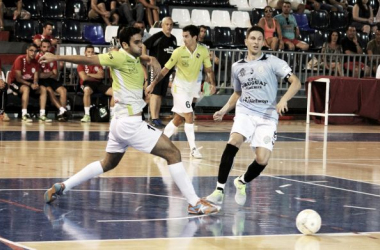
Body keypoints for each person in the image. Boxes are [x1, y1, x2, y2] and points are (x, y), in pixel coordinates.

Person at [40, 27, 219, 215]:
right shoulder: (117, 56)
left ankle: (63, 186)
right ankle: (194, 203)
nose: (141, 45)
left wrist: (151, 58)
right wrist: (57, 58)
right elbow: (90, 59)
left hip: (119, 123)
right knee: (173, 154)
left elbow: (138, 57)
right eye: (136, 42)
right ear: (124, 44)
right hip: (130, 124)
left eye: (141, 41)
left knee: (108, 163)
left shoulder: (133, 57)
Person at [205, 26, 301, 206]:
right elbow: (237, 93)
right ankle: (219, 190)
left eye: (259, 39)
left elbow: (296, 82)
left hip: (268, 116)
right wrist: (224, 110)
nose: (256, 42)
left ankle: (241, 181)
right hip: (246, 112)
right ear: (246, 41)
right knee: (233, 142)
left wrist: (283, 100)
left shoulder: (273, 62)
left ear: (264, 42)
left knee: (262, 159)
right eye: (253, 38)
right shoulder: (237, 67)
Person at [148, 25, 217, 159]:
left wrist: (212, 83)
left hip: (193, 88)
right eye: (183, 36)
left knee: (178, 119)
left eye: (186, 36)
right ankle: (193, 149)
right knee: (189, 115)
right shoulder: (178, 52)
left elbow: (209, 69)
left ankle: (158, 144)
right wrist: (153, 83)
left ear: (194, 37)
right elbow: (165, 70)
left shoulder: (203, 51)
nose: (183, 39)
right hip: (179, 88)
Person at [143, 17, 177, 128]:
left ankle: (156, 117)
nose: (169, 26)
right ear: (162, 25)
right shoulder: (157, 37)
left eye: (171, 24)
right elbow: (144, 45)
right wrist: (147, 58)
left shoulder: (174, 39)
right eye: (167, 24)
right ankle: (154, 118)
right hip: (157, 69)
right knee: (155, 94)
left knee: (160, 95)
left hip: (167, 70)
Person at [8, 43, 51, 122]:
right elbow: (18, 78)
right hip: (15, 82)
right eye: (31, 51)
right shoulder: (20, 59)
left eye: (35, 51)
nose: (33, 53)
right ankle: (24, 114)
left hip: (29, 82)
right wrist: (31, 84)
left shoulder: (36, 62)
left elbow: (35, 77)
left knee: (43, 89)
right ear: (27, 51)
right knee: (26, 89)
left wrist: (35, 84)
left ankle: (42, 114)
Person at [77, 45, 114, 123]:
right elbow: (84, 78)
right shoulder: (81, 64)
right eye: (89, 52)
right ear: (85, 53)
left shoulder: (97, 63)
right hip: (87, 84)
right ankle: (87, 115)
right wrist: (95, 76)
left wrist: (89, 75)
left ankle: (112, 115)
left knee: (115, 92)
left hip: (98, 84)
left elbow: (101, 76)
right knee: (86, 91)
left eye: (92, 52)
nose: (91, 54)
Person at [36, 39, 68, 121]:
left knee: (63, 90)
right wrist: (50, 73)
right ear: (40, 48)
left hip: (50, 80)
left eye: (48, 47)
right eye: (44, 47)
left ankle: (61, 114)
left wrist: (48, 74)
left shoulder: (51, 57)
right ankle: (63, 110)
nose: (46, 49)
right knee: (49, 90)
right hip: (41, 81)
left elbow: (55, 74)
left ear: (50, 48)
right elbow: (39, 75)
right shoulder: (37, 58)